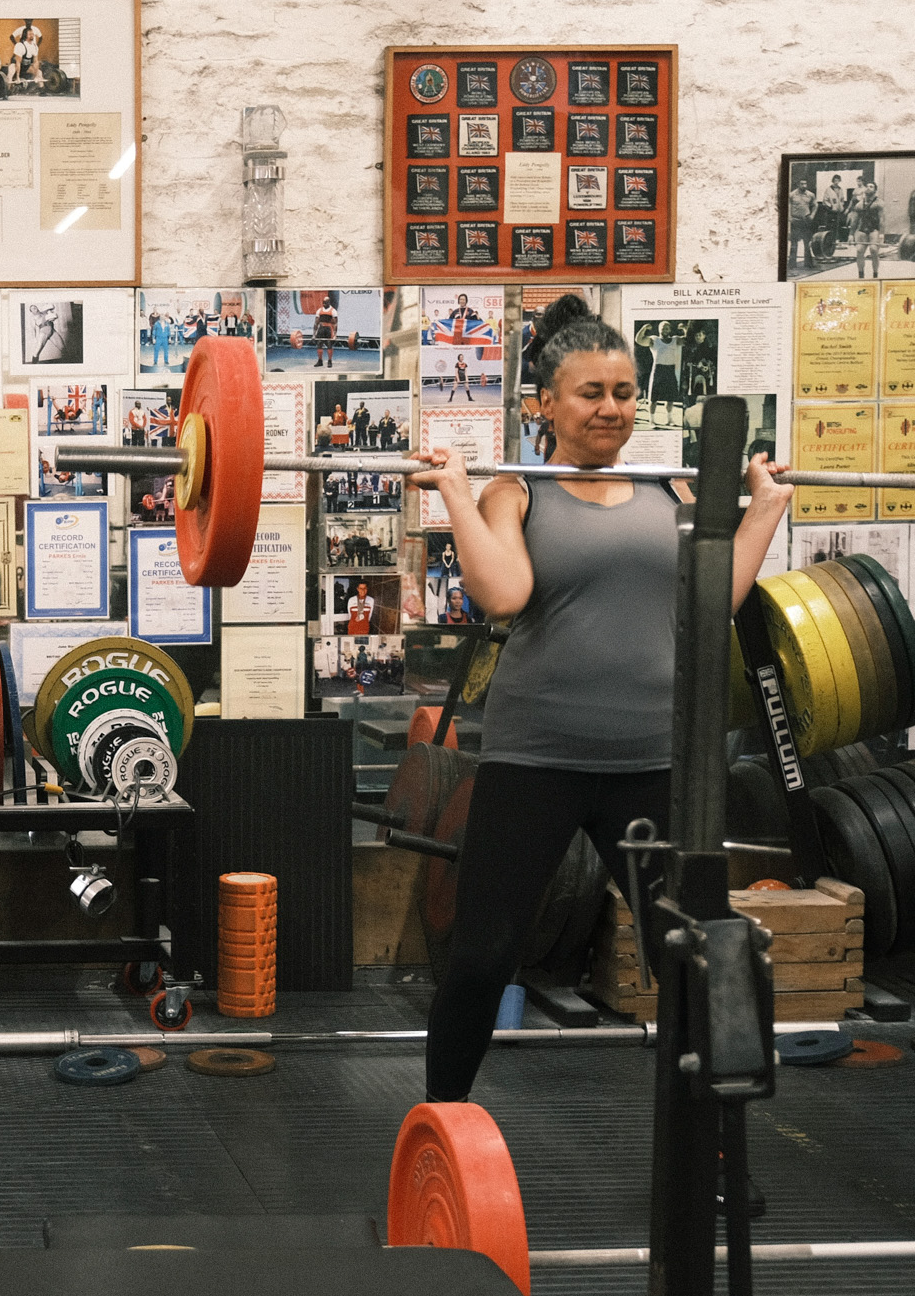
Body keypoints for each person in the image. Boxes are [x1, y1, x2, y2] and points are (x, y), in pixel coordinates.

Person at [407, 294, 791, 1106]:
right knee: (481, 959)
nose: (611, 407)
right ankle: (439, 1133)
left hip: (653, 763)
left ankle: (715, 1161)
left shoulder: (668, 491)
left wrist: (765, 507)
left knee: (692, 958)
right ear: (546, 403)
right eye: (590, 392)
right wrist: (454, 490)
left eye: (623, 391)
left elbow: (712, 598)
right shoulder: (519, 491)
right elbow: (504, 591)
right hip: (535, 758)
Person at [850, 180, 884, 280]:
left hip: (874, 230)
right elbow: (854, 221)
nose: (868, 188)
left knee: (874, 250)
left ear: (875, 190)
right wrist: (851, 234)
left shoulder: (879, 203)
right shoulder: (859, 205)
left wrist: (882, 234)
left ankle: (875, 274)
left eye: (871, 186)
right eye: (867, 186)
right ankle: (861, 275)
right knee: (859, 251)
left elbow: (882, 219)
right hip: (862, 230)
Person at [788, 179, 816, 271]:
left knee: (807, 242)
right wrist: (789, 217)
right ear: (798, 184)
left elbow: (815, 205)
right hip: (795, 220)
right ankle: (792, 264)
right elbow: (787, 206)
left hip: (806, 220)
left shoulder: (810, 195)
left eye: (805, 183)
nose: (804, 185)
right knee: (794, 243)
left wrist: (812, 215)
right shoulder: (792, 195)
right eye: (802, 184)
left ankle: (808, 263)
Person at [313, 294, 339, 369]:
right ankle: (320, 361)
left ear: (329, 303)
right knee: (319, 344)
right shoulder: (319, 310)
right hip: (321, 328)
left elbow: (335, 324)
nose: (324, 304)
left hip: (329, 329)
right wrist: (314, 335)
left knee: (329, 344)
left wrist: (334, 335)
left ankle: (329, 361)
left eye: (326, 302)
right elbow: (316, 323)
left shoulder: (333, 311)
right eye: (323, 302)